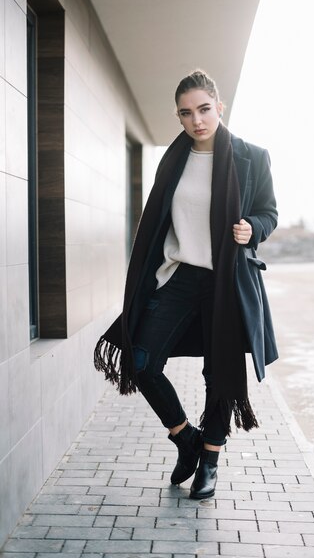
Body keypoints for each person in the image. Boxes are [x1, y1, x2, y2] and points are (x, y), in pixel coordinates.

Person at [94, 69, 278, 499]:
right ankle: (185, 437)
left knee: (219, 373)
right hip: (177, 277)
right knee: (139, 361)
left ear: (219, 106)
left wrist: (253, 226)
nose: (196, 120)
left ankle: (210, 459)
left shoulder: (252, 157)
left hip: (226, 282)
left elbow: (269, 212)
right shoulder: (174, 159)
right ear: (178, 117)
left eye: (204, 109)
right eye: (186, 113)